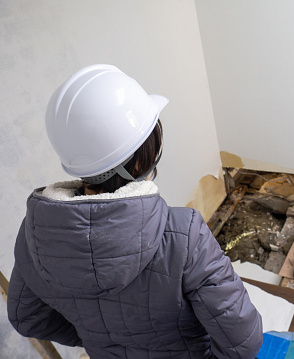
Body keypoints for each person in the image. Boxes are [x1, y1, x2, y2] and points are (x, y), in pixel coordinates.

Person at [7, 64, 263, 358]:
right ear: (140, 164)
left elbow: (26, 318)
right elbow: (243, 342)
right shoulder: (183, 235)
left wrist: (100, 342)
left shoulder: (35, 237)